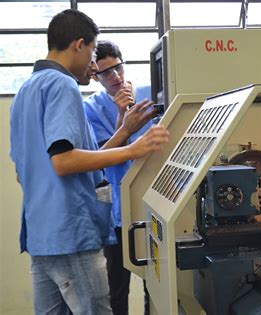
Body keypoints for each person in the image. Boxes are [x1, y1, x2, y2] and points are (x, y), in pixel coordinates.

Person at [9, 9, 169, 314]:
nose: (94, 66)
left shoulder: (26, 91)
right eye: (93, 53)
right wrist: (134, 149)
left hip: (42, 236)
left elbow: (23, 171)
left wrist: (124, 132)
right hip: (71, 232)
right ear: (79, 45)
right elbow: (64, 161)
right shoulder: (62, 85)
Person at [84, 40, 154, 315]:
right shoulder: (91, 109)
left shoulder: (150, 93)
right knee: (116, 289)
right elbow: (101, 157)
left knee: (157, 284)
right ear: (95, 76)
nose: (115, 77)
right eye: (106, 73)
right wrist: (123, 120)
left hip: (153, 202)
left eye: (118, 68)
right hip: (118, 210)